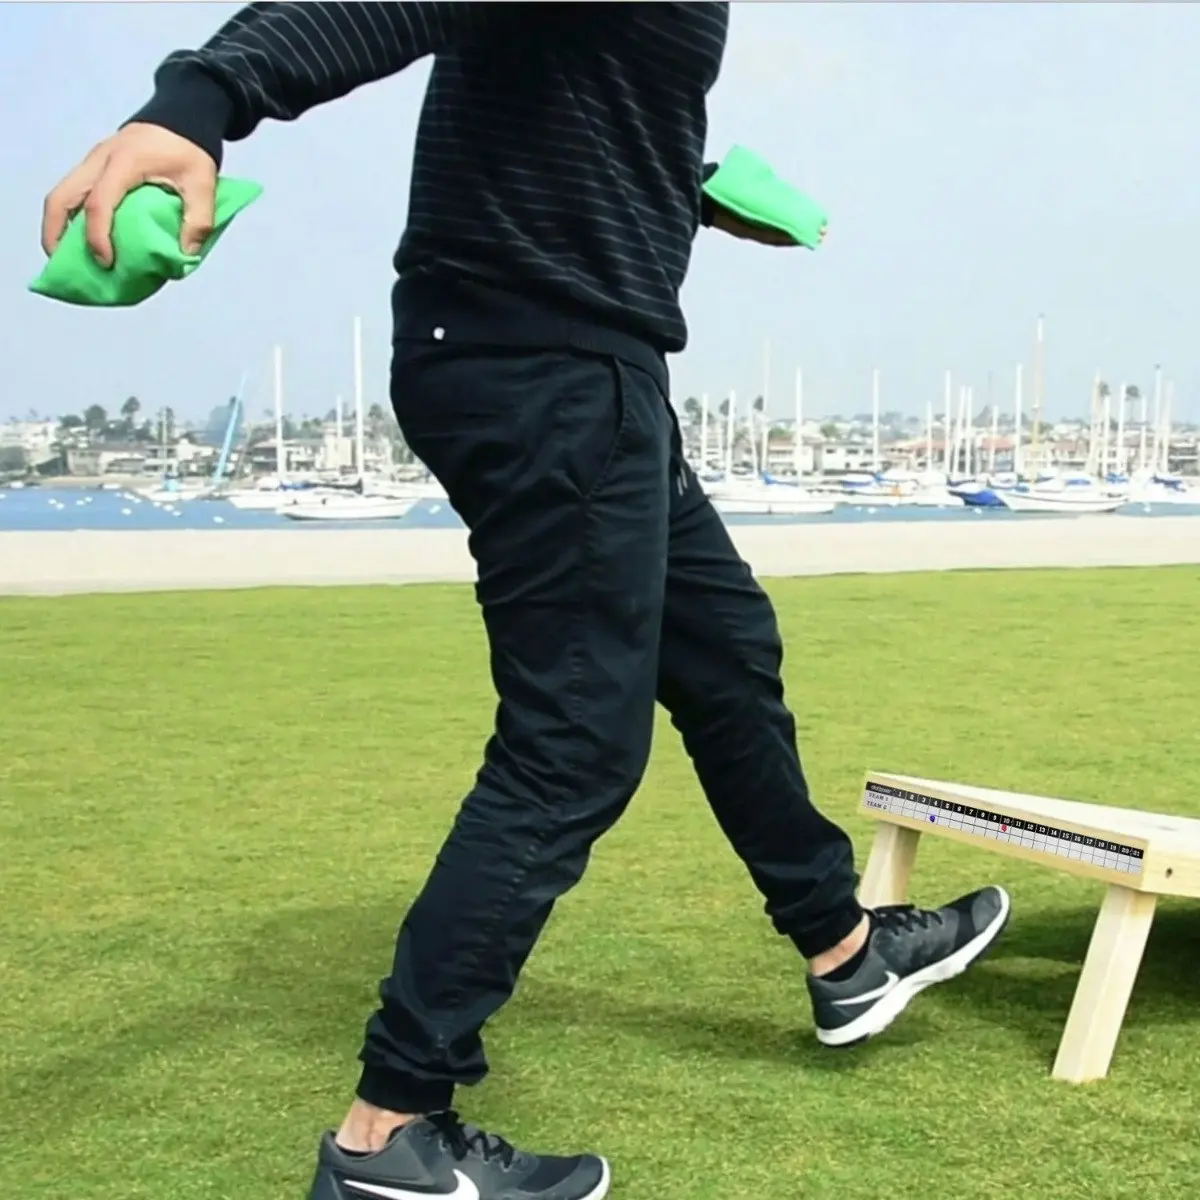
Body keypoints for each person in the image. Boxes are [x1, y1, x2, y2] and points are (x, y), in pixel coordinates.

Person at [41, 5, 1010, 1199]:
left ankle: (846, 950)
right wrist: (199, 99)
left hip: (584, 358)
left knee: (722, 653)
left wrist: (680, 184)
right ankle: (388, 1133)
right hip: (541, 360)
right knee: (572, 746)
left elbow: (561, 92)